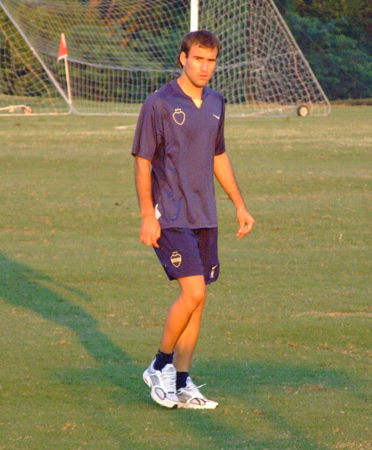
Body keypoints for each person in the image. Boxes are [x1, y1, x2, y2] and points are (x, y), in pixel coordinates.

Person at [131, 30, 255, 409]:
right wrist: (146, 216)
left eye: (211, 61)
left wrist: (239, 204)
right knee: (194, 292)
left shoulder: (216, 102)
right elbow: (142, 161)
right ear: (183, 58)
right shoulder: (159, 103)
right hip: (170, 214)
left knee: (199, 301)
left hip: (205, 215)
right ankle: (159, 365)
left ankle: (182, 383)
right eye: (198, 59)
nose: (204, 67)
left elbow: (218, 155)